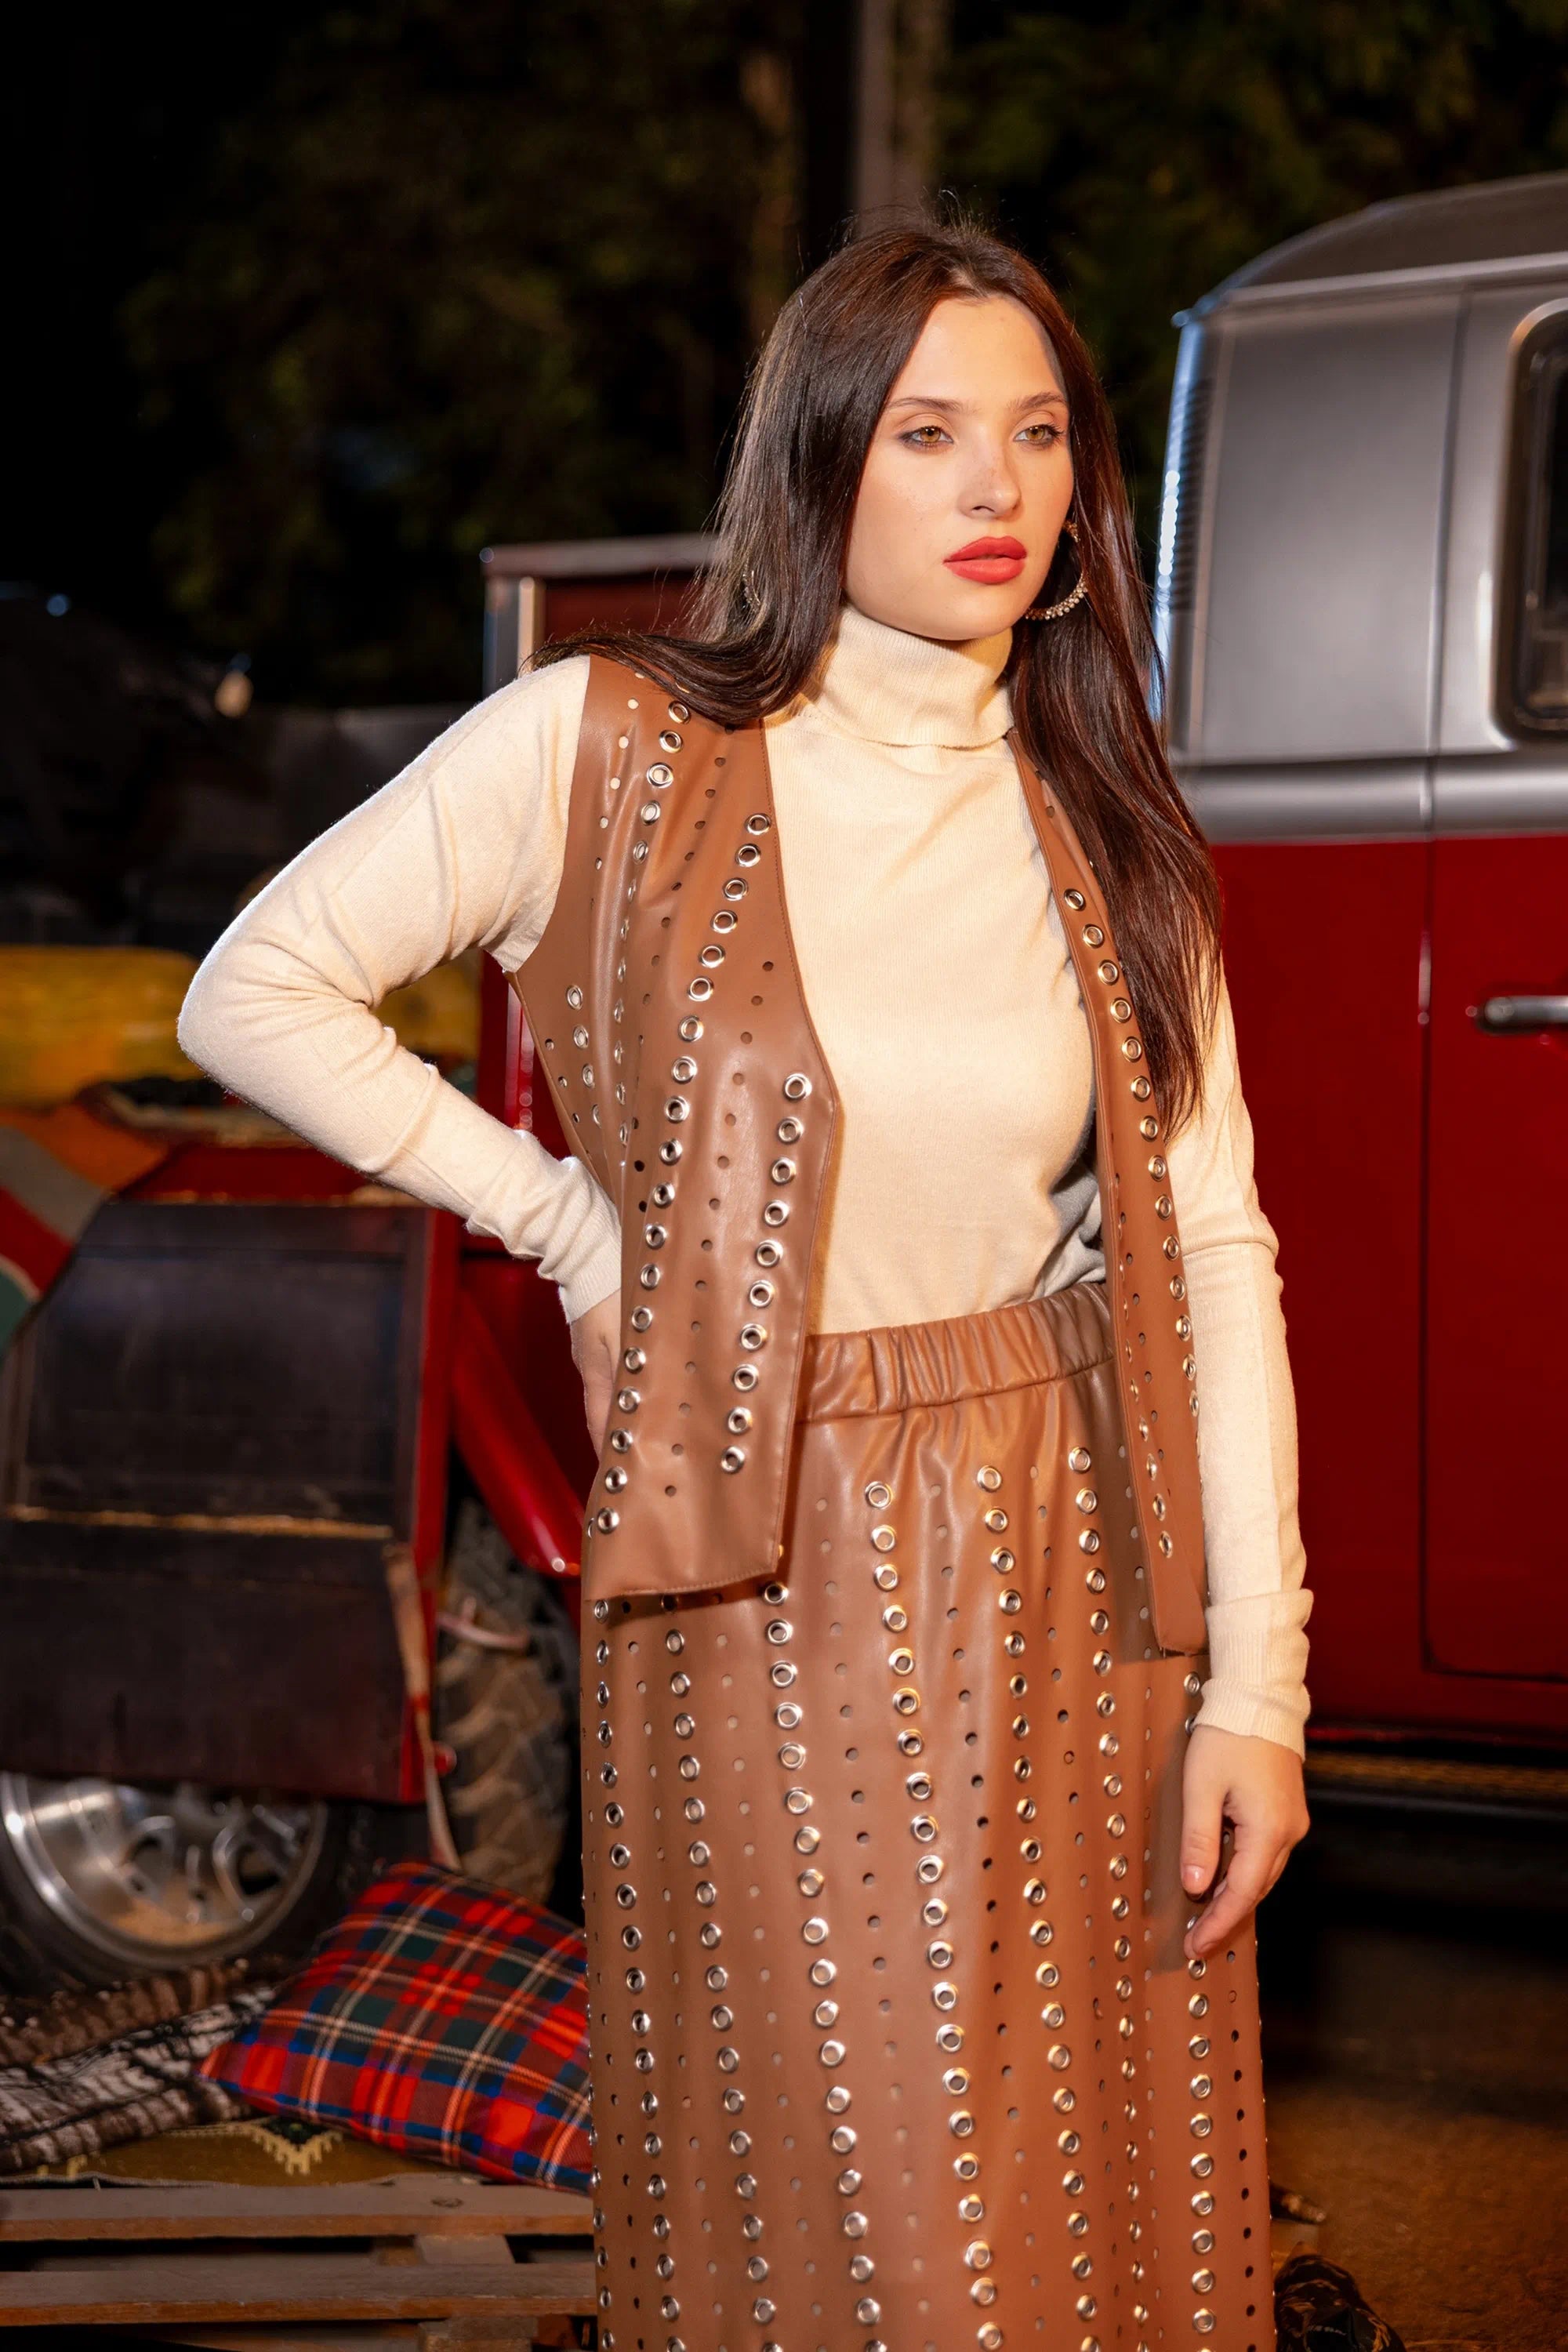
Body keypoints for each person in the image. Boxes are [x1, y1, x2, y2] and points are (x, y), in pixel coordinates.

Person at [180, 220, 1311, 2352]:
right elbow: (260, 989)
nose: (996, 488)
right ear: (816, 460)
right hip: (772, 1561)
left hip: (1093, 1553)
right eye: (929, 433)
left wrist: (1264, 1689)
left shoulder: (1106, 817)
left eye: (1039, 435)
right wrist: (569, 1225)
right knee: (861, 2227)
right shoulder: (604, 745)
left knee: (1095, 2206)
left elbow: (1220, 1253)